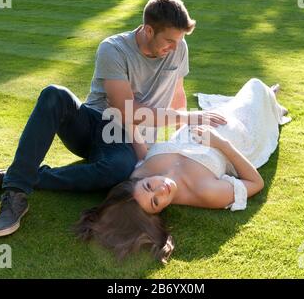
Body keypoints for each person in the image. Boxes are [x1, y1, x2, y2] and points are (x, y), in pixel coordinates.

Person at [0, 0, 228, 238]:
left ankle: (25, 174)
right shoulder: (114, 49)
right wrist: (189, 118)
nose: (174, 47)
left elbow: (178, 92)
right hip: (96, 125)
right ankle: (15, 193)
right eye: (169, 41)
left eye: (178, 41)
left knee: (118, 169)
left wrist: (176, 142)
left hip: (126, 141)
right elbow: (127, 111)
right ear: (149, 30)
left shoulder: (178, 48)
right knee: (54, 94)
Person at [75, 78, 291, 264]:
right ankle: (271, 105)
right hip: (238, 133)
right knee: (256, 87)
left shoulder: (139, 174)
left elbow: (140, 147)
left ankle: (267, 102)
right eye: (156, 202)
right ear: (156, 215)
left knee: (245, 95)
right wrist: (222, 144)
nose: (162, 189)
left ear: (140, 181)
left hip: (204, 119)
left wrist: (127, 116)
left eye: (149, 186)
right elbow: (256, 183)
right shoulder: (204, 192)